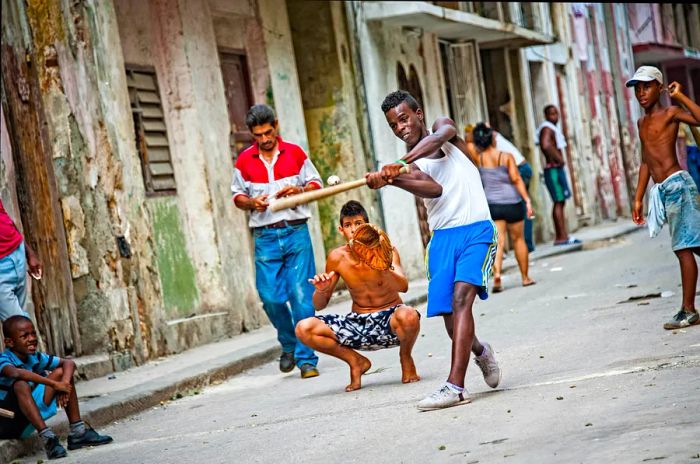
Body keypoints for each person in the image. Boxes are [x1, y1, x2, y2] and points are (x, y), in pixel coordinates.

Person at [366, 90, 501, 411]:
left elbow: (442, 136)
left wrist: (397, 166)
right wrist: (391, 180)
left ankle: (455, 386)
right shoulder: (410, 164)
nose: (400, 128)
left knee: (461, 300)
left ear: (418, 114)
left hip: (476, 229)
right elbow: (432, 188)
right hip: (442, 240)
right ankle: (480, 351)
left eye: (403, 119)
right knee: (450, 317)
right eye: (393, 125)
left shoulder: (440, 130)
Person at [231, 104, 322, 378]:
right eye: (257, 135)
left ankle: (308, 359)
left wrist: (300, 189)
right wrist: (251, 202)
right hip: (265, 236)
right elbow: (237, 196)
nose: (264, 139)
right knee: (269, 296)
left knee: (301, 295)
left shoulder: (295, 153)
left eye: (268, 133)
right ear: (252, 134)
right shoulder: (244, 161)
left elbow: (317, 185)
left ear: (276, 125)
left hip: (296, 232)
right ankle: (289, 343)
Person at [295, 201, 421, 392]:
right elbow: (319, 305)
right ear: (341, 229)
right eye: (348, 225)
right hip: (358, 324)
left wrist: (382, 266)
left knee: (409, 315)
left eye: (359, 223)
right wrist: (321, 289)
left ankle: (405, 356)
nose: (353, 229)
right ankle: (356, 361)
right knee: (304, 328)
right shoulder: (337, 257)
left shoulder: (387, 250)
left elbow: (403, 286)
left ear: (368, 226)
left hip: (390, 321)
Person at [627, 66, 700, 329]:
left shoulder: (670, 113)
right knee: (693, 244)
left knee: (683, 248)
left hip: (679, 185)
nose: (641, 92)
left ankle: (689, 310)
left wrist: (680, 96)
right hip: (664, 190)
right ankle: (689, 308)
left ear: (659, 87)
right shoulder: (641, 122)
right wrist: (638, 198)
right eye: (637, 88)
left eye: (646, 86)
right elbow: (646, 160)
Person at [0, 315, 112, 459]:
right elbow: (15, 373)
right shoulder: (3, 359)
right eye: (24, 336)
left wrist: (64, 384)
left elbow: (69, 363)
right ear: (9, 342)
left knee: (63, 371)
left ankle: (78, 432)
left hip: (27, 418)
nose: (32, 338)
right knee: (21, 384)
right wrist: (54, 384)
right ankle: (49, 440)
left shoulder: (35, 357)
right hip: (7, 422)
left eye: (33, 333)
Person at [471, 123, 535, 292]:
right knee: (519, 239)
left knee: (498, 242)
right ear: (493, 138)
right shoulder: (506, 156)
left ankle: (497, 275)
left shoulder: (478, 158)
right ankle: (525, 277)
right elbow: (516, 178)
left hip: (493, 205)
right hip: (512, 203)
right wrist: (527, 200)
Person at [466, 125, 536, 252]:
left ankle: (498, 272)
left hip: (497, 199)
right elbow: (516, 179)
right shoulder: (503, 154)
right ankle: (527, 249)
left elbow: (469, 142)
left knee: (499, 238)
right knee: (518, 236)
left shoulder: (480, 154)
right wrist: (527, 200)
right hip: (510, 197)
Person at [535, 105, 581, 246]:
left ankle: (563, 235)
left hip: (554, 169)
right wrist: (559, 160)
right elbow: (545, 145)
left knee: (561, 201)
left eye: (556, 113)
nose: (555, 116)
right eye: (551, 114)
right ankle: (561, 237)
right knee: (559, 201)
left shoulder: (551, 128)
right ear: (546, 115)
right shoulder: (547, 128)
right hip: (553, 170)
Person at [1, 199, 42, 321]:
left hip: (17, 253)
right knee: (19, 327)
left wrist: (29, 253)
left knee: (22, 320)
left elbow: (4, 216)